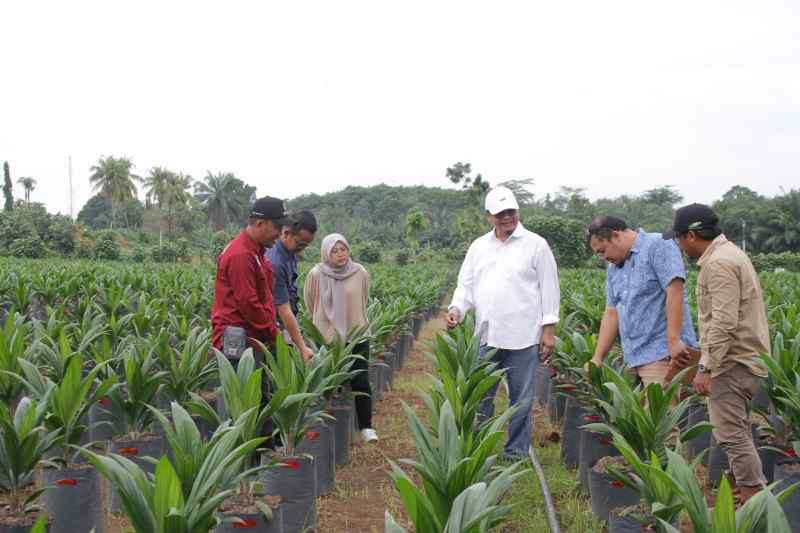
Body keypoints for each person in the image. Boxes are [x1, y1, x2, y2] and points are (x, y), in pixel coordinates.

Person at [446, 186, 560, 461]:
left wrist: (549, 330)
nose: (507, 218)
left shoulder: (536, 244)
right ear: (489, 216)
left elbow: (549, 288)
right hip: (487, 335)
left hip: (524, 336)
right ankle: (478, 448)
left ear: (518, 211)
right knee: (480, 397)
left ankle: (516, 451)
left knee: (521, 401)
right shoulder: (478, 247)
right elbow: (466, 285)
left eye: (510, 212)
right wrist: (456, 308)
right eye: (500, 214)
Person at [665, 203, 769, 503]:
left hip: (732, 362)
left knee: (731, 433)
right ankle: (746, 493)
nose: (680, 245)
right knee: (737, 430)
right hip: (744, 358)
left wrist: (705, 368)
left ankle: (753, 497)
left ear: (692, 235)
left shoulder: (719, 263)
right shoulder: (731, 254)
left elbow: (723, 322)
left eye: (680, 238)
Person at [211, 196, 286, 448]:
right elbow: (249, 304)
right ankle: (244, 463)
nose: (279, 234)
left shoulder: (256, 253)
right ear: (260, 223)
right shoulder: (241, 254)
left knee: (258, 398)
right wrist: (274, 335)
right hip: (237, 338)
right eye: (277, 227)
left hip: (252, 336)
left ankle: (260, 458)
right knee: (244, 402)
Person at [587, 215, 698, 386]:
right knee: (635, 412)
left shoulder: (658, 245)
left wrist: (674, 340)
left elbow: (675, 291)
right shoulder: (614, 268)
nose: (603, 257)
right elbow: (611, 312)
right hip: (633, 356)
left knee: (659, 411)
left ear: (616, 235)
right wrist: (597, 357)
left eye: (603, 250)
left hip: (662, 354)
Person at [304, 234, 378, 442]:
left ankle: (366, 427)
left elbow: (364, 298)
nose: (340, 255)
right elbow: (310, 301)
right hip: (327, 338)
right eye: (335, 251)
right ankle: (328, 431)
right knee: (328, 384)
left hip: (357, 335)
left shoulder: (360, 272)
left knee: (361, 380)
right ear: (326, 254)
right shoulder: (316, 274)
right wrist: (325, 323)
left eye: (343, 249)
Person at [266, 209, 318, 362]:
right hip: (274, 329)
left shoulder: (290, 253)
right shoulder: (275, 261)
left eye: (305, 245)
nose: (301, 249)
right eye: (300, 244)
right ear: (286, 233)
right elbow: (283, 309)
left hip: (284, 326)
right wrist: (302, 347)